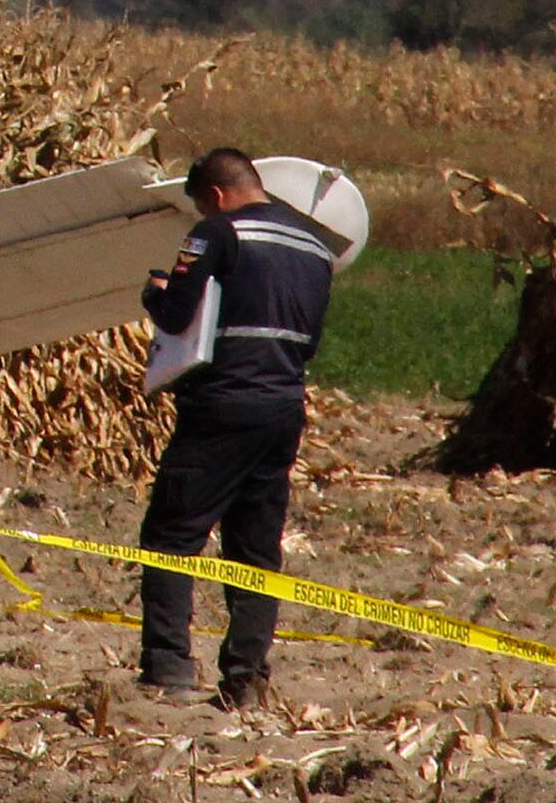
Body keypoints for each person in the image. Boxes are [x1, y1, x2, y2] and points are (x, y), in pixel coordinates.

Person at [135, 147, 338, 708]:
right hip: (283, 407)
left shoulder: (217, 232)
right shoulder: (315, 248)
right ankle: (246, 680)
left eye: (203, 202)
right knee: (254, 549)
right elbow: (312, 342)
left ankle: (168, 669)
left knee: (172, 535)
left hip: (223, 404)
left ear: (216, 196)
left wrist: (154, 293)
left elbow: (177, 313)